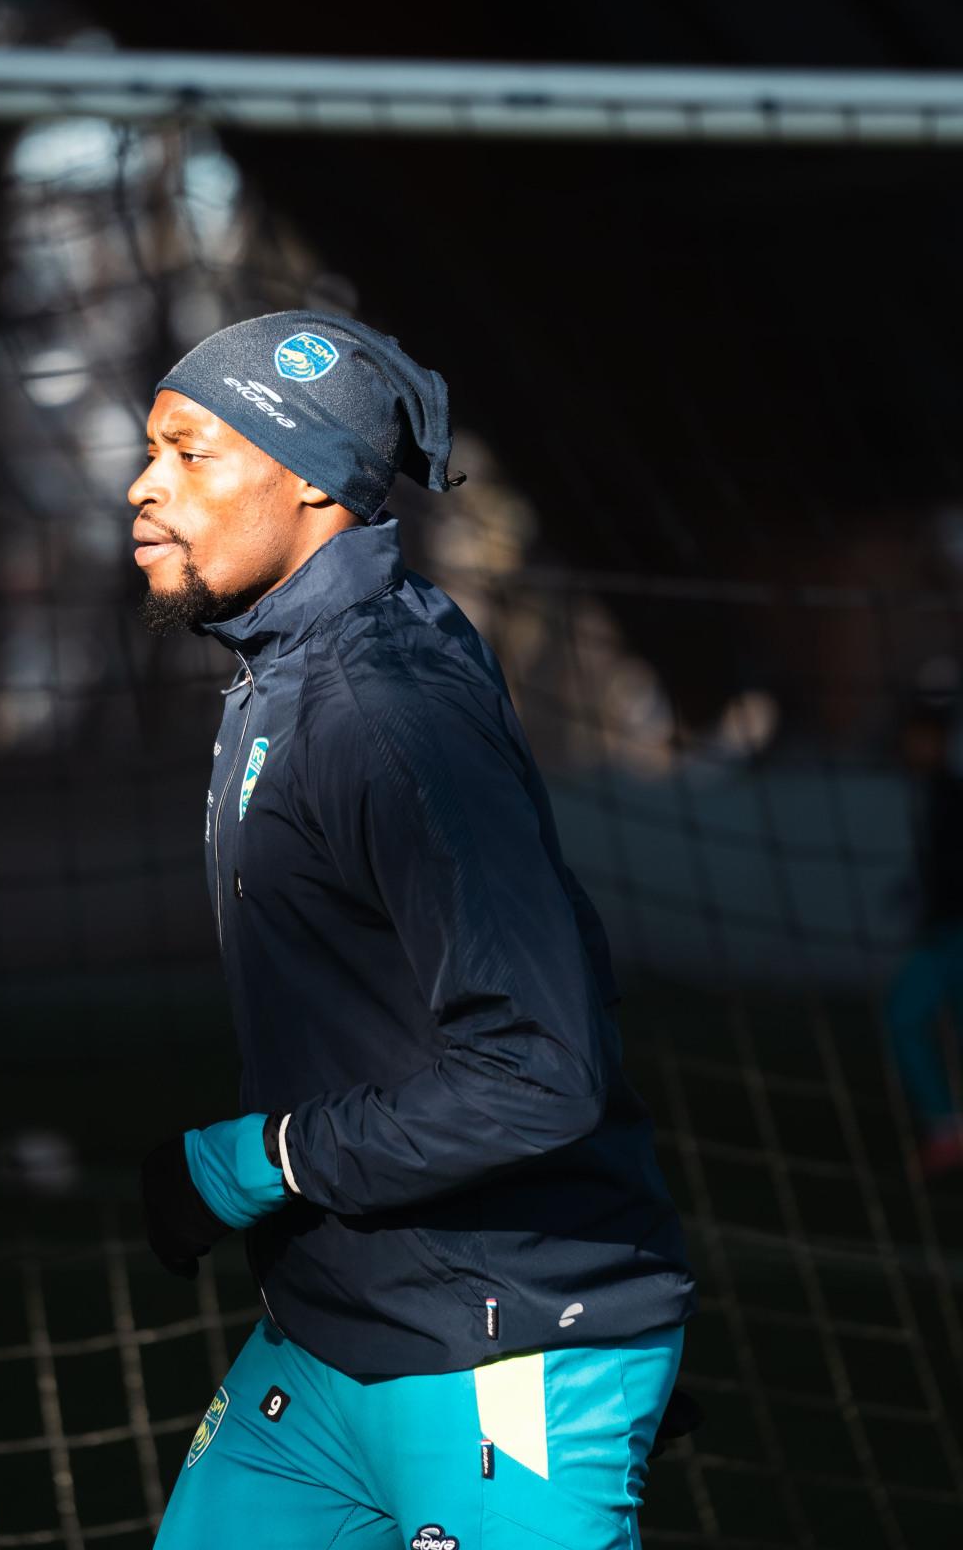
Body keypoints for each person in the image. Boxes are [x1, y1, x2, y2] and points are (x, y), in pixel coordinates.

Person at [127, 312, 697, 1549]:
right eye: (149, 449)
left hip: (501, 1343)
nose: (143, 485)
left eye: (189, 452)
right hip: (327, 1341)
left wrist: (250, 1163)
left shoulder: (385, 707)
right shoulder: (282, 668)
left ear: (312, 482)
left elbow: (538, 1071)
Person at [885, 683, 963, 1178]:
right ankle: (946, 1131)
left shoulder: (949, 795)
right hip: (944, 931)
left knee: (905, 1017)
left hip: (952, 935)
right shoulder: (933, 793)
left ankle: (946, 1131)